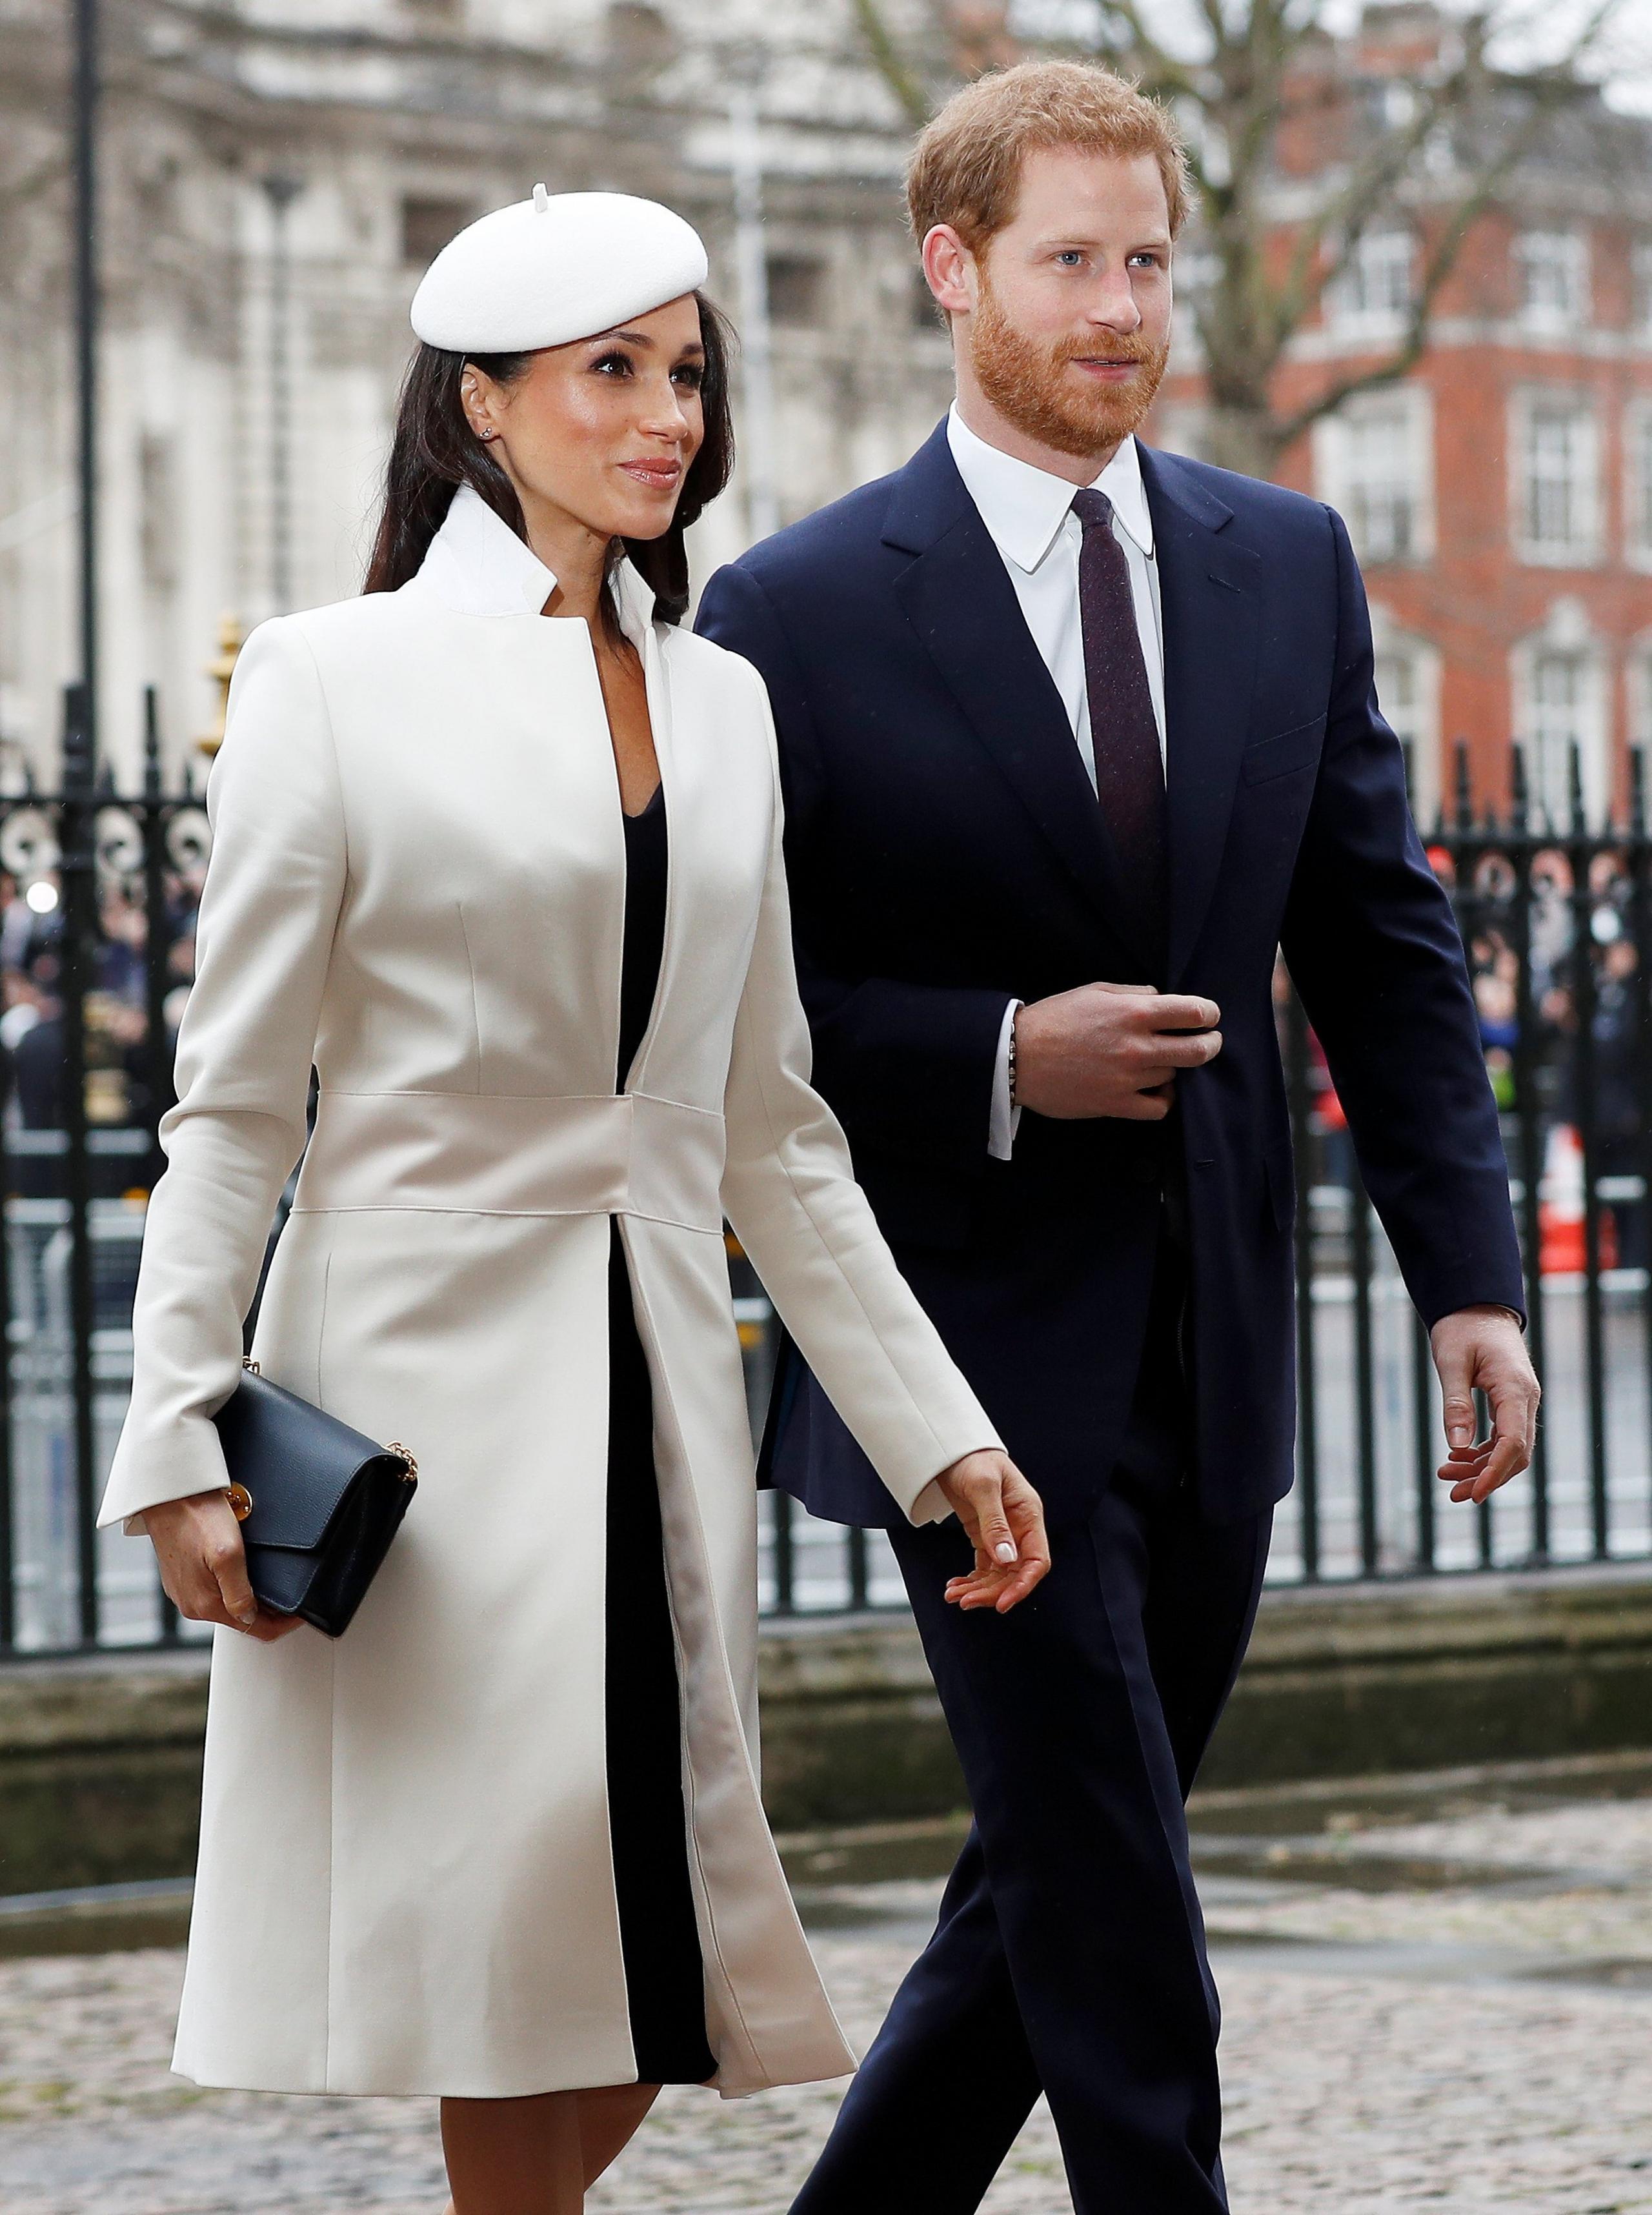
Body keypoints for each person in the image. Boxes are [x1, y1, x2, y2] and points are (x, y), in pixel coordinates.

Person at [96, 187, 1049, 2215]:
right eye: (612, 371)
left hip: (652, 1387)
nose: (666, 415)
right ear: (484, 405)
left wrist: (938, 1429)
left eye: (687, 372)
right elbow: (234, 1105)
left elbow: (769, 1123)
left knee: (640, 1945)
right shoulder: (328, 680)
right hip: (421, 1414)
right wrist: (175, 1430)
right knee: (523, 1933)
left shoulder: (724, 702)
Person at [697, 60, 1539, 2215]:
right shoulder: (786, 618)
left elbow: (1384, 938)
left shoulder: (1287, 560)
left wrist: (1468, 1273)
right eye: (1073, 257)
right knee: (1122, 1914)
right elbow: (730, 1032)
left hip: (1221, 1363)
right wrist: (997, 1051)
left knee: (1059, 1876)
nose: (1123, 306)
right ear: (952, 264)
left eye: (1149, 258)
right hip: (956, 1372)